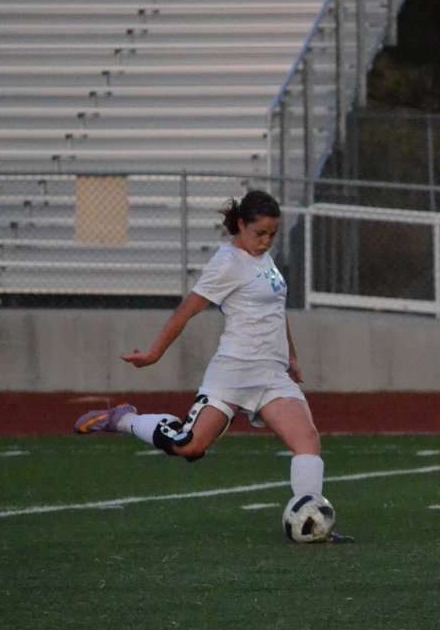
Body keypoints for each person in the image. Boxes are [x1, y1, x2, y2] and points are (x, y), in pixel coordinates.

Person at [73, 189, 352, 543]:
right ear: (240, 225)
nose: (266, 241)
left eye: (272, 234)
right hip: (233, 371)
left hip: (271, 373)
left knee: (308, 441)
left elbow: (276, 312)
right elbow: (187, 310)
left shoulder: (263, 260)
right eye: (259, 233)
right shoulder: (227, 263)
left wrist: (292, 357)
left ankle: (313, 524)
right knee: (190, 447)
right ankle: (124, 420)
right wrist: (154, 353)